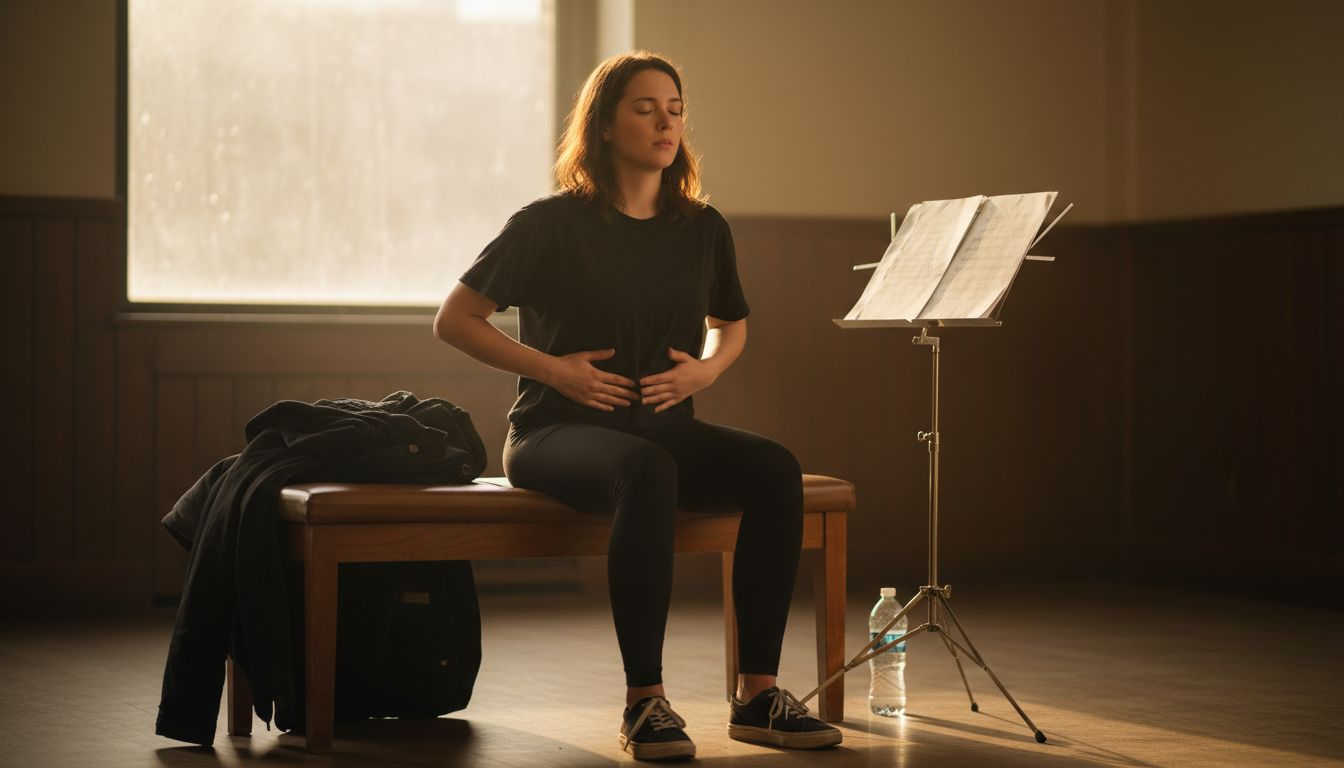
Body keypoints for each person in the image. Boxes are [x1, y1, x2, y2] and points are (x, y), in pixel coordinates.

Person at [433, 50, 842, 761]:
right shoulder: (548, 224)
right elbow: (454, 319)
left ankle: (756, 695)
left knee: (774, 468)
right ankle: (644, 702)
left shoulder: (703, 227)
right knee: (648, 470)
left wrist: (705, 372)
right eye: (645, 108)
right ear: (604, 124)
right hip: (555, 432)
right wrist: (554, 371)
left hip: (663, 428)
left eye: (675, 110)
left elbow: (732, 323)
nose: (665, 123)